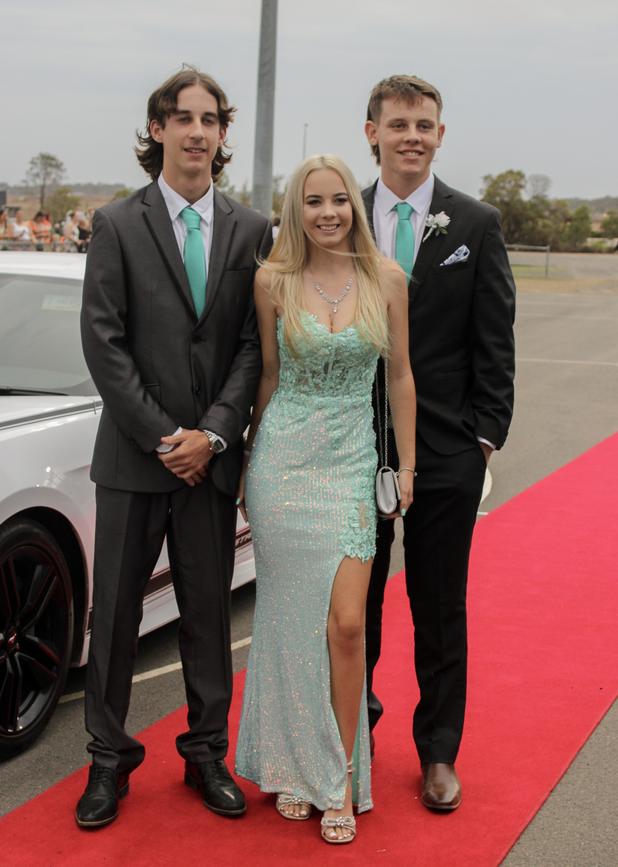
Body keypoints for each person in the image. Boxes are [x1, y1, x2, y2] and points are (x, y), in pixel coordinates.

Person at [76, 66, 271, 829]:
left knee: (206, 617)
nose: (196, 131)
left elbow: (253, 348)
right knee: (117, 617)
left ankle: (207, 753)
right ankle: (108, 761)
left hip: (211, 462)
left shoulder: (252, 230)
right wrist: (167, 437)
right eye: (181, 117)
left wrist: (214, 434)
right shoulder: (116, 224)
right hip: (134, 460)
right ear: (156, 128)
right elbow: (104, 343)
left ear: (223, 134)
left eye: (210, 119)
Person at [235, 154, 416, 844]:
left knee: (345, 624)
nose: (329, 212)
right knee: (285, 620)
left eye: (339, 199)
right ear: (296, 210)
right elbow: (269, 376)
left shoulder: (387, 278)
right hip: (283, 461)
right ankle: (288, 764)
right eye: (314, 201)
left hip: (350, 463)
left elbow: (400, 375)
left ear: (355, 206)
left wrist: (408, 464)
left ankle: (339, 772)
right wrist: (249, 463)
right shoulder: (273, 280)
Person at [362, 75, 515, 811]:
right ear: (372, 132)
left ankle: (439, 753)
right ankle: (350, 732)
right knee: (350, 608)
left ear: (440, 135)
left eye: (425, 124)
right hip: (351, 448)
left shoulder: (475, 223)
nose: (412, 136)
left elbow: (495, 342)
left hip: (448, 450)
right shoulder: (338, 215)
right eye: (398, 124)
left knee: (439, 608)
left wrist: (483, 440)